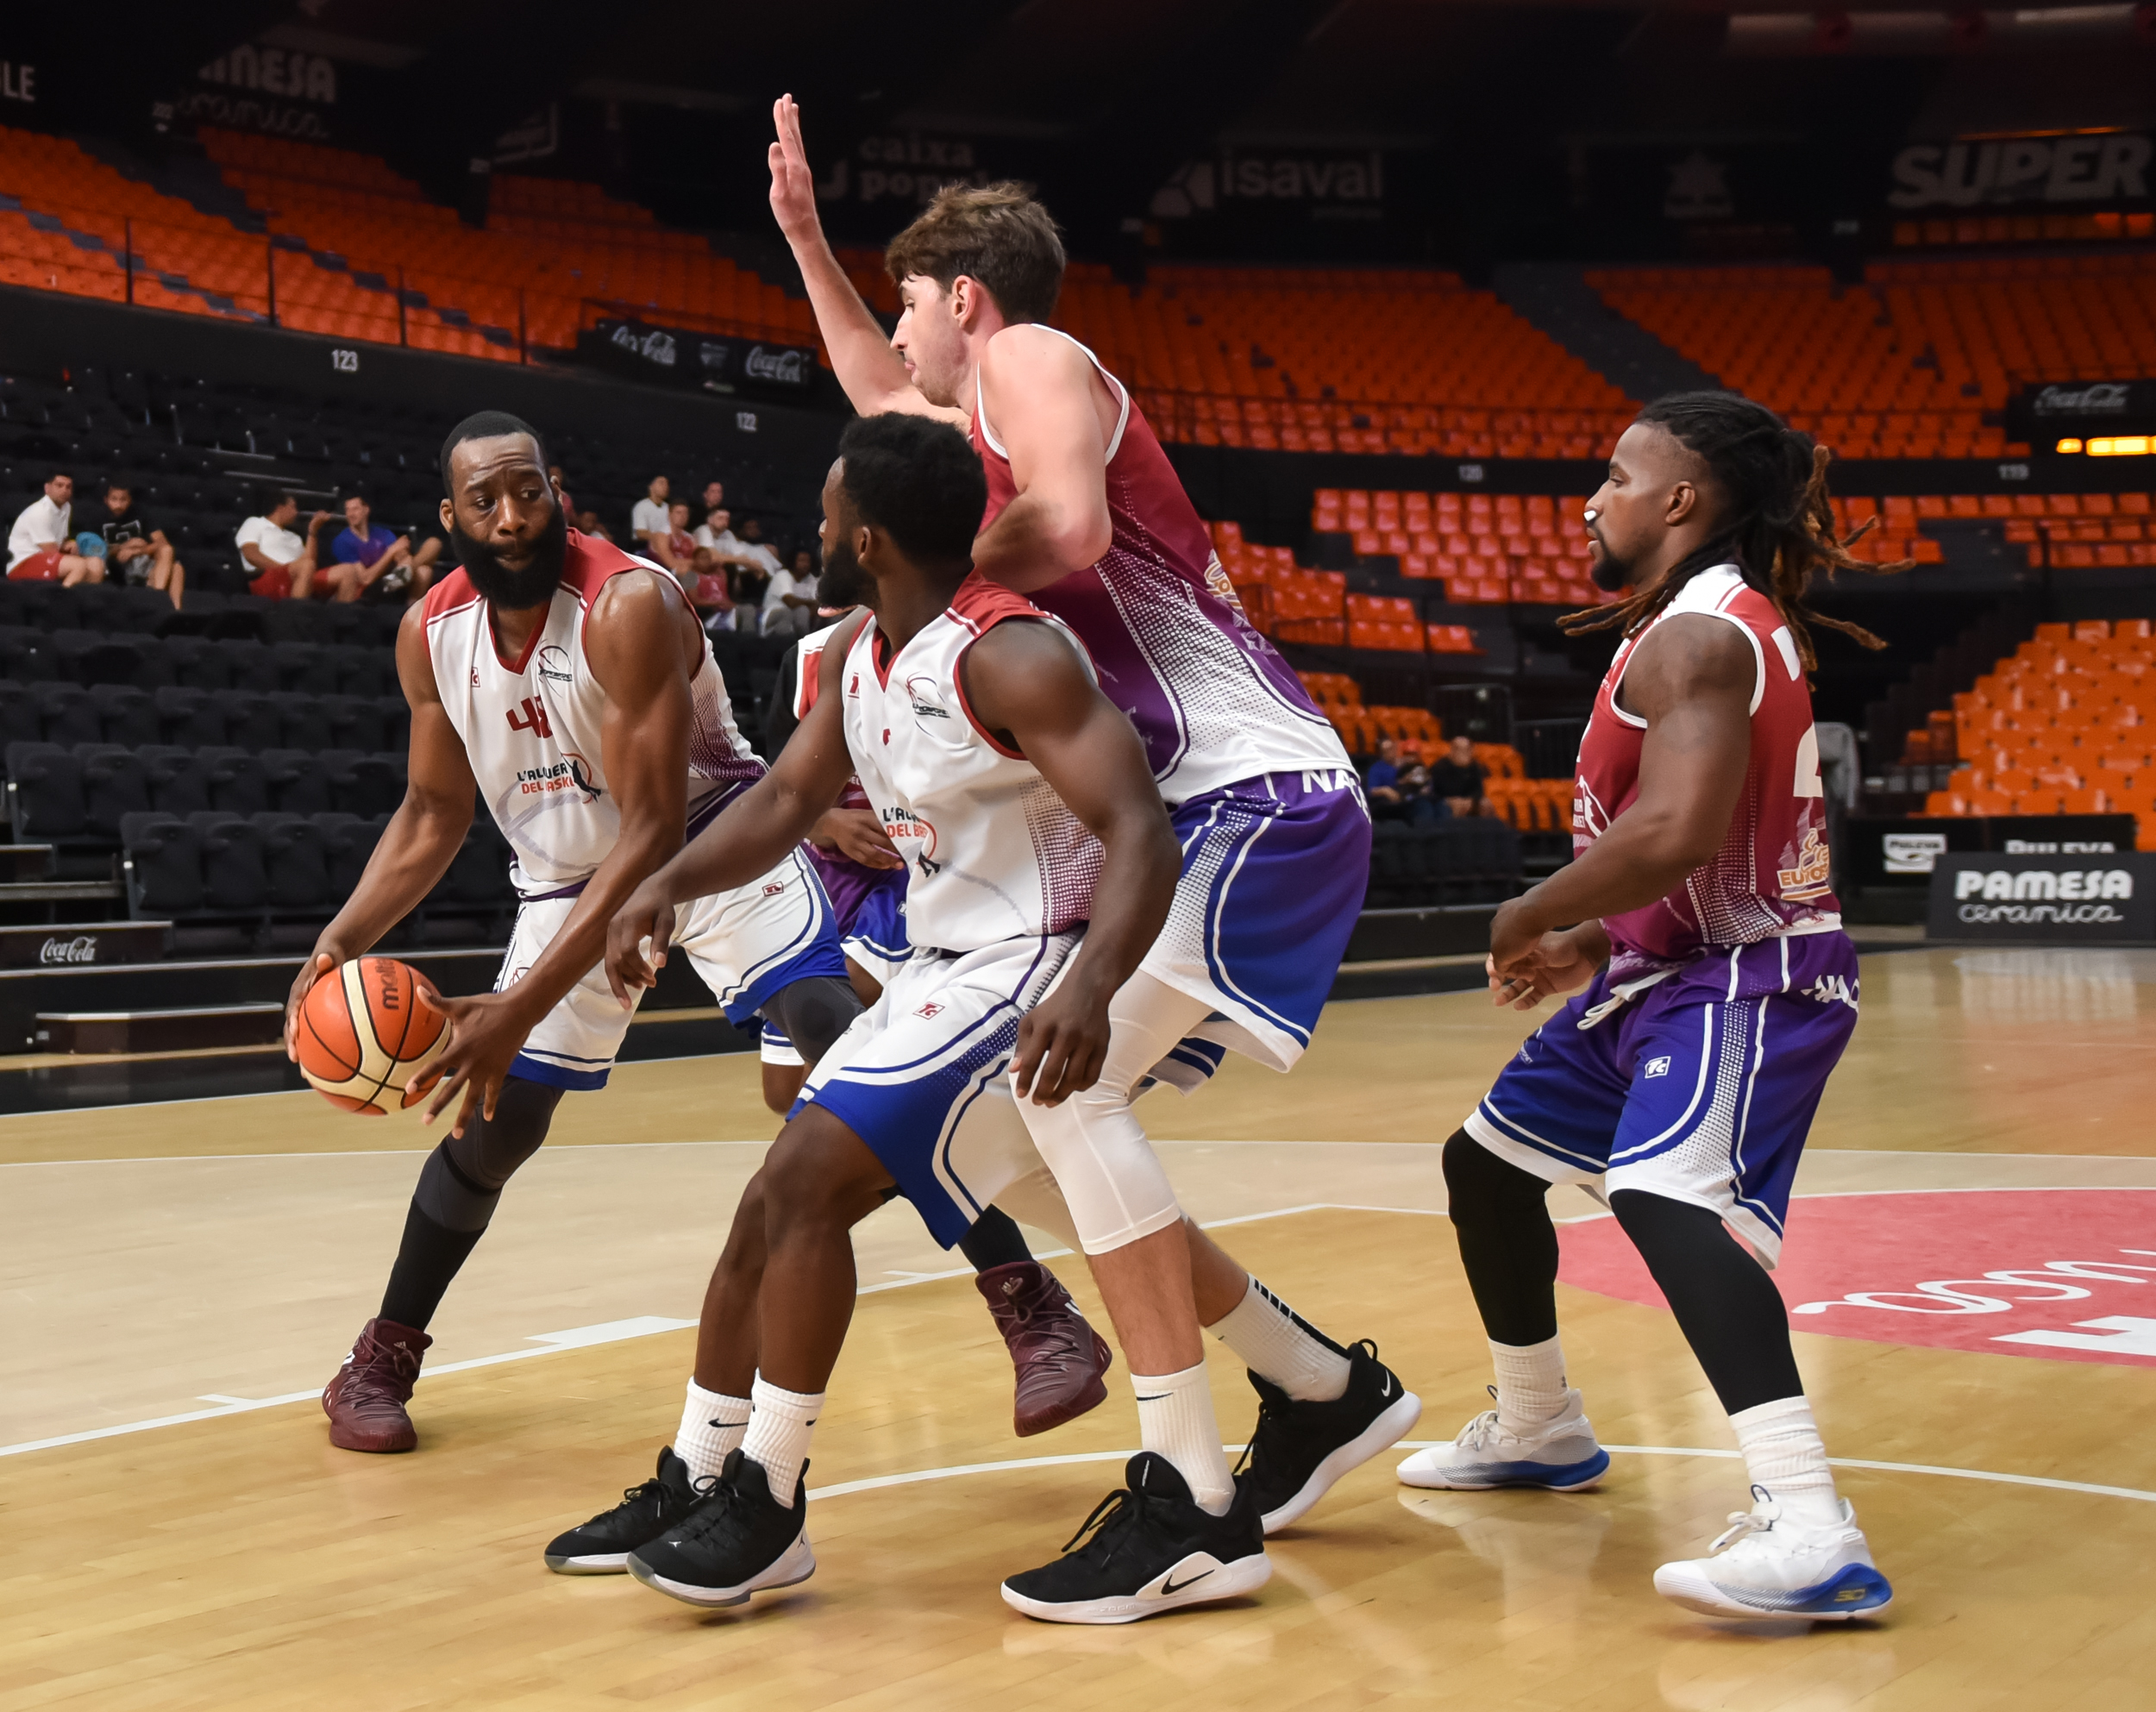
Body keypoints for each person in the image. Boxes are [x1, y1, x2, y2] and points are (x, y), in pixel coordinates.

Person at [761, 97, 1415, 1587]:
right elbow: (876, 389)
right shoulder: (967, 399)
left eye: (909, 303)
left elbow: (1063, 525)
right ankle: (1318, 1387)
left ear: (965, 300)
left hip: (1252, 791)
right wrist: (806, 242)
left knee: (1064, 1085)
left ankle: (1192, 1501)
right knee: (1026, 1136)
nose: (899, 337)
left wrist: (913, 589)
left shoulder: (1034, 357)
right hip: (1198, 805)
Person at [555, 415, 1275, 1621]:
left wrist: (1090, 988)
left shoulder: (1011, 655)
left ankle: (768, 1499)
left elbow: (1141, 830)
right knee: (772, 1202)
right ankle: (705, 1470)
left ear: (869, 539)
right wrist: (663, 884)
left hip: (1026, 965)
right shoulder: (861, 652)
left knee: (802, 1184)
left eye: (830, 512)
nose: (817, 526)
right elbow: (787, 796)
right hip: (940, 964)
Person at [1397, 391, 1897, 1623]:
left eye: (1617, 477)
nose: (1592, 500)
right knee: (1487, 1166)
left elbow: (1673, 829)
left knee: (1668, 1195)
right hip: (1663, 972)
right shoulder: (1690, 626)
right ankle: (1538, 1424)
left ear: (1681, 498)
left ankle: (1808, 1523)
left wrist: (1526, 909)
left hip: (1748, 975)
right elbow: (1698, 838)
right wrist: (1590, 936)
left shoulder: (1701, 637)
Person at [296, 411, 861, 1458]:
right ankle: (379, 1355)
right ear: (451, 517)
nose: (511, 518)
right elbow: (431, 812)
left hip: (708, 834)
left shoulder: (626, 602)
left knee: (836, 1032)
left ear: (557, 493)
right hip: (564, 877)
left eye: (528, 492)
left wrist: (515, 1005)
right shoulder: (429, 633)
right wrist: (341, 936)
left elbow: (650, 832)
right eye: (484, 501)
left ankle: (1023, 1293)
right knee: (497, 1124)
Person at [326, 492, 441, 604]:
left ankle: (408, 575)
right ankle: (405, 576)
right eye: (348, 510)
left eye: (355, 509)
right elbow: (365, 579)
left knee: (431, 551)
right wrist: (391, 551)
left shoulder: (382, 533)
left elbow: (400, 554)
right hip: (372, 586)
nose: (351, 514)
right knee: (424, 571)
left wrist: (404, 558)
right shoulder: (342, 541)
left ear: (366, 510)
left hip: (393, 576)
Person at [96, 480, 185, 607]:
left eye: (123, 500)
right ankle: (158, 602)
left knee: (176, 565)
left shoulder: (140, 513)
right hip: (116, 567)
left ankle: (173, 609)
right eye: (114, 499)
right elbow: (95, 550)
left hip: (141, 563)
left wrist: (137, 551)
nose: (118, 505)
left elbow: (162, 543)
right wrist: (125, 546)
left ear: (130, 500)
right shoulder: (98, 517)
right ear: (106, 500)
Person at [8, 473, 102, 585]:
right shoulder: (39, 512)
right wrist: (68, 549)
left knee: (96, 564)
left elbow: (62, 540)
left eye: (68, 487)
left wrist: (70, 544)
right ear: (47, 488)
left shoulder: (66, 507)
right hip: (24, 562)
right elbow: (50, 550)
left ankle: (85, 596)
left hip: (49, 557)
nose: (64, 490)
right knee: (78, 565)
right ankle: (62, 596)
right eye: (59, 485)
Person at [236, 494, 329, 600]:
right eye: (293, 507)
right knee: (306, 566)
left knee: (344, 572)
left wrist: (313, 531)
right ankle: (296, 609)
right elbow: (251, 554)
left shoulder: (295, 537)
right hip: (265, 577)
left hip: (296, 575)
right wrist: (283, 570)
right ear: (280, 508)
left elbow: (310, 561)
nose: (296, 512)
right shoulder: (255, 523)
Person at [758, 543, 818, 637]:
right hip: (774, 615)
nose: (805, 564)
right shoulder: (782, 575)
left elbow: (818, 605)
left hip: (795, 618)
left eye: (808, 561)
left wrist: (813, 606)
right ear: (793, 561)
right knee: (794, 612)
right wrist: (811, 603)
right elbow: (790, 602)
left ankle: (805, 641)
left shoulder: (811, 579)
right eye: (802, 561)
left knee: (804, 611)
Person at [1427, 734, 1493, 818]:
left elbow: (1479, 790)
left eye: (1467, 749)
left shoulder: (1475, 767)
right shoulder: (1440, 767)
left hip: (1468, 800)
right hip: (1444, 799)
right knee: (1456, 806)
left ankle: (1485, 827)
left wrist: (1470, 801)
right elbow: (1435, 791)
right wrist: (1455, 800)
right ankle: (1455, 827)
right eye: (1460, 749)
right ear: (1452, 750)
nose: (1464, 753)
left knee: (1486, 804)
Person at [630, 474, 671, 550]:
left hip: (667, 547)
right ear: (651, 487)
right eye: (661, 483)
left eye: (667, 484)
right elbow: (640, 533)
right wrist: (662, 539)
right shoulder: (642, 506)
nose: (666, 487)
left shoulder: (669, 508)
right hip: (645, 548)